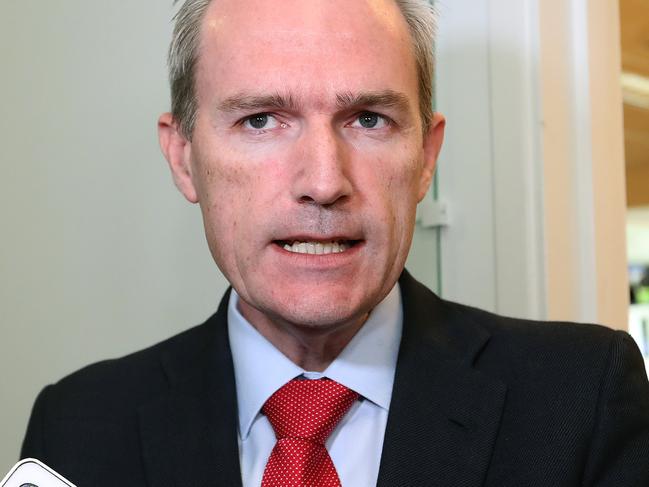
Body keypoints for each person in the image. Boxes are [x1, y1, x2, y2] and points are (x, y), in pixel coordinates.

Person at [21, 0, 649, 485]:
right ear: (183, 157)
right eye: (260, 119)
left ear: (426, 157)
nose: (324, 183)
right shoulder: (76, 429)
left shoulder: (582, 401)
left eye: (368, 119)